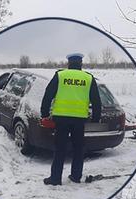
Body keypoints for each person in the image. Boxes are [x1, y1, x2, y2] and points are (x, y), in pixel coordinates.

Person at [41, 53, 102, 185]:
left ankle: (55, 178)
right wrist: (96, 118)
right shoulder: (88, 78)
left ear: (69, 63)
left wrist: (44, 113)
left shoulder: (60, 75)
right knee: (79, 148)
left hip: (61, 119)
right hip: (79, 120)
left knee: (60, 148)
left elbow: (48, 94)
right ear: (81, 64)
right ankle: (76, 176)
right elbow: (96, 100)